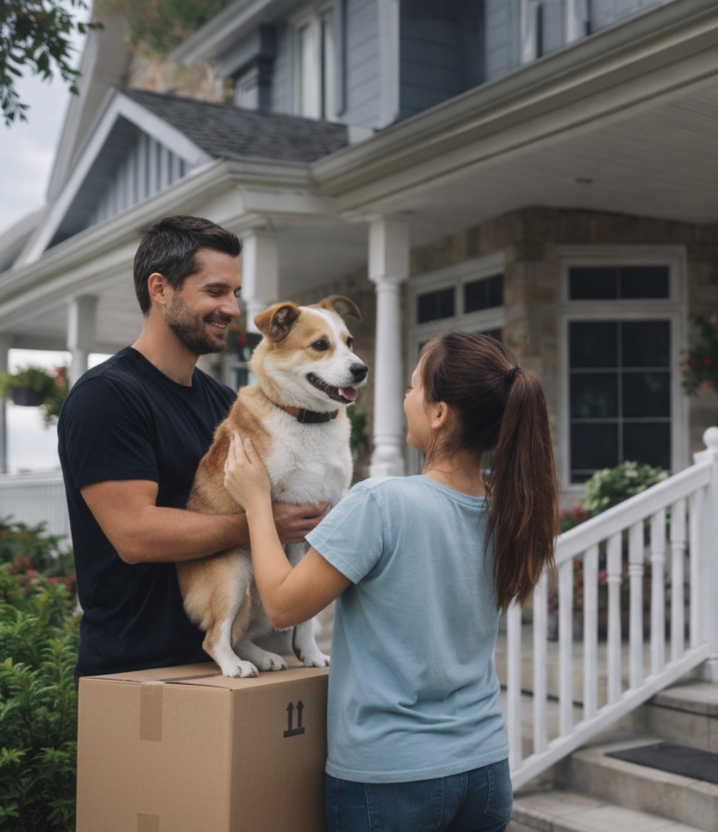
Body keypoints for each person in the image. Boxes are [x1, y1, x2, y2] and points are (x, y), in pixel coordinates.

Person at [221, 330, 560, 832]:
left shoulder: (380, 502)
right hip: (485, 768)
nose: (405, 399)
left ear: (439, 413)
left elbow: (284, 606)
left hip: (390, 778)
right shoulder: (506, 510)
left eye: (413, 387)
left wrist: (255, 504)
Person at [58, 216, 328, 678]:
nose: (231, 308)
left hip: (231, 658)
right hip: (135, 669)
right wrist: (263, 522)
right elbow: (135, 534)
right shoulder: (107, 396)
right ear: (160, 289)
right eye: (215, 291)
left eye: (235, 293)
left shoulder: (224, 403)